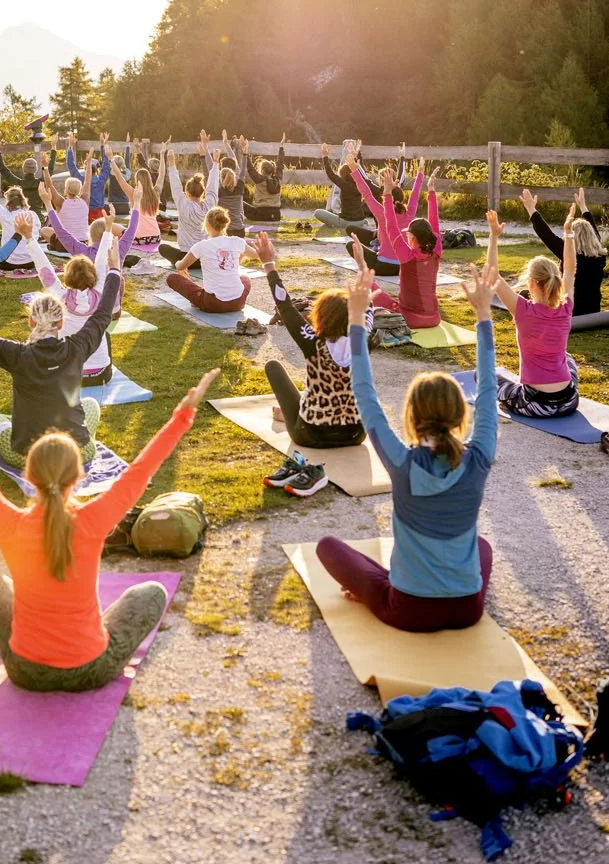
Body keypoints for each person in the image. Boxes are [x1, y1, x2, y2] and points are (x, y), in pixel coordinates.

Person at [0, 357, 218, 691]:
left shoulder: (9, 523)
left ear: (28, 475)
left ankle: (38, 644)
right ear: (79, 476)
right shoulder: (94, 519)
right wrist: (184, 413)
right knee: (151, 593)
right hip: (91, 669)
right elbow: (141, 470)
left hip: (25, 672)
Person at [316, 262, 498, 633]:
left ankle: (380, 588)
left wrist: (355, 320)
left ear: (413, 416)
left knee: (328, 546)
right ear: (461, 413)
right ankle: (400, 584)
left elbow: (364, 392)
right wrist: (483, 315)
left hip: (408, 611)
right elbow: (490, 388)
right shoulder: (478, 456)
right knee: (482, 547)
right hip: (468, 610)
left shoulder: (401, 461)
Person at [0, 249, 122, 464]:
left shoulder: (18, 355)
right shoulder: (77, 348)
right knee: (90, 405)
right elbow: (103, 313)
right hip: (77, 453)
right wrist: (114, 269)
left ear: (31, 321)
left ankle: (19, 423)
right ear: (61, 323)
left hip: (28, 457)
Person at [252, 234, 372, 494]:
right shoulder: (363, 341)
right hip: (356, 434)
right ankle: (294, 411)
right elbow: (368, 303)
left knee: (273, 366)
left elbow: (285, 306)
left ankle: (292, 413)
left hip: (312, 435)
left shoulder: (313, 342)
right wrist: (362, 266)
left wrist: (268, 263)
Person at [487, 207, 579, 418]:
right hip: (569, 401)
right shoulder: (566, 307)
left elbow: (492, 276)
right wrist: (568, 232)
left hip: (536, 404)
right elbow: (571, 269)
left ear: (531, 283)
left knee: (482, 375)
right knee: (568, 359)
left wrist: (493, 236)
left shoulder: (523, 310)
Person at [21, 218, 116, 384]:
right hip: (101, 375)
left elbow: (44, 268)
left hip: (70, 376)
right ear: (93, 277)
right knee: (104, 333)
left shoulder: (60, 296)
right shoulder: (99, 293)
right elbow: (101, 262)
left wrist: (29, 238)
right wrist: (108, 229)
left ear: (67, 278)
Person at [366, 165, 443, 329]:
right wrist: (431, 191)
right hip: (434, 318)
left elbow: (391, 226)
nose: (406, 236)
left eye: (408, 234)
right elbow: (434, 221)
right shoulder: (436, 251)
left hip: (410, 319)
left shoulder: (407, 255)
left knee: (371, 286)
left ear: (413, 237)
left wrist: (386, 194)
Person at [520, 187, 606, 318]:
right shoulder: (600, 257)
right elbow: (594, 233)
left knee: (524, 294)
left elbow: (546, 234)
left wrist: (531, 209)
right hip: (593, 310)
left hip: (569, 310)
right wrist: (583, 207)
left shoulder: (569, 254)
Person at [164, 206, 259, 313]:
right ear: (225, 224)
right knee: (245, 279)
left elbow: (181, 266)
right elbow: (255, 255)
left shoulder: (201, 246)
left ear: (207, 225)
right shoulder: (237, 241)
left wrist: (177, 263)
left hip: (213, 303)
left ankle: (197, 299)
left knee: (172, 278)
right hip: (238, 303)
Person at [346, 148, 424, 275]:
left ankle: (374, 249)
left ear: (385, 196)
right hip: (403, 267)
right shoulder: (409, 213)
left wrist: (354, 170)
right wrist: (420, 173)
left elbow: (366, 193)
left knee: (350, 245)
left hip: (382, 267)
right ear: (402, 197)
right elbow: (415, 194)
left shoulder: (382, 212)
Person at [46, 187, 142, 289]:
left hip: (91, 298)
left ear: (91, 235)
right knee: (120, 281)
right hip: (113, 299)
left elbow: (61, 232)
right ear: (110, 233)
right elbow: (132, 228)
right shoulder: (118, 251)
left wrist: (48, 204)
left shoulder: (83, 251)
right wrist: (137, 202)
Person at [159, 149, 220, 267]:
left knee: (162, 247)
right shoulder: (211, 204)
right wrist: (216, 163)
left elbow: (175, 186)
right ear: (203, 192)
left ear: (186, 192)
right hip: (206, 259)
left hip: (186, 259)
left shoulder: (183, 205)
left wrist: (171, 163)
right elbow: (213, 186)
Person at [0, 176, 42, 268]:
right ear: (22, 199)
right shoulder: (32, 215)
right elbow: (37, 235)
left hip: (9, 263)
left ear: (8, 201)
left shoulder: (5, 215)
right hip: (32, 262)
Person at [108, 151, 168, 254]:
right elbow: (162, 174)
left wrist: (111, 159)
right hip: (156, 238)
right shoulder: (156, 193)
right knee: (124, 229)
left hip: (137, 240)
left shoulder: (133, 194)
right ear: (149, 179)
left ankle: (116, 249)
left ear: (136, 180)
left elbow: (119, 177)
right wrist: (162, 155)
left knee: (108, 226)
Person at [0, 135, 57, 218]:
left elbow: (3, 170)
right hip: (38, 219)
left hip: (22, 221)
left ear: (23, 169)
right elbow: (50, 169)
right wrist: (53, 146)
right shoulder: (41, 183)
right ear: (36, 169)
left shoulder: (18, 184)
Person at [314, 141, 373, 233]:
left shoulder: (344, 184)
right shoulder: (362, 183)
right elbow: (362, 171)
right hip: (360, 221)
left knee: (317, 212)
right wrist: (357, 154)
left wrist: (325, 156)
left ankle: (350, 223)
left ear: (343, 175)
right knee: (361, 220)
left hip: (345, 222)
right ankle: (362, 223)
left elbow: (330, 174)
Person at [40, 154, 93, 248]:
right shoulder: (85, 201)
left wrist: (45, 167)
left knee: (44, 230)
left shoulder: (61, 203)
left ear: (66, 189)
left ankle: (53, 245)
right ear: (80, 190)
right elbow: (88, 181)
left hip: (64, 245)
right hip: (83, 243)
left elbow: (49, 185)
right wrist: (89, 164)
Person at [66, 131, 111, 223]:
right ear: (97, 169)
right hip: (99, 214)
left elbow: (71, 166)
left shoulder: (81, 180)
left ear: (86, 168)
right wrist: (103, 145)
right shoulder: (101, 180)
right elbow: (106, 165)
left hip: (85, 213)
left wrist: (70, 146)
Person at [243, 135, 287, 222]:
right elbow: (280, 165)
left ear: (262, 170)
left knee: (240, 203)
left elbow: (250, 168)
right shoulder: (277, 179)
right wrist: (281, 147)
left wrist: (245, 153)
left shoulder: (259, 179)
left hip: (261, 214)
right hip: (276, 215)